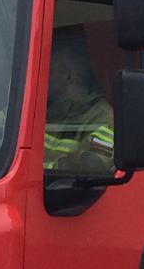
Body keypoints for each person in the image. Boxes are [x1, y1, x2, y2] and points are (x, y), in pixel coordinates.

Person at [43, 32, 116, 171]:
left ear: (69, 76)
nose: (40, 76)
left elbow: (93, 166)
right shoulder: (36, 105)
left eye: (49, 70)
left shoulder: (101, 116)